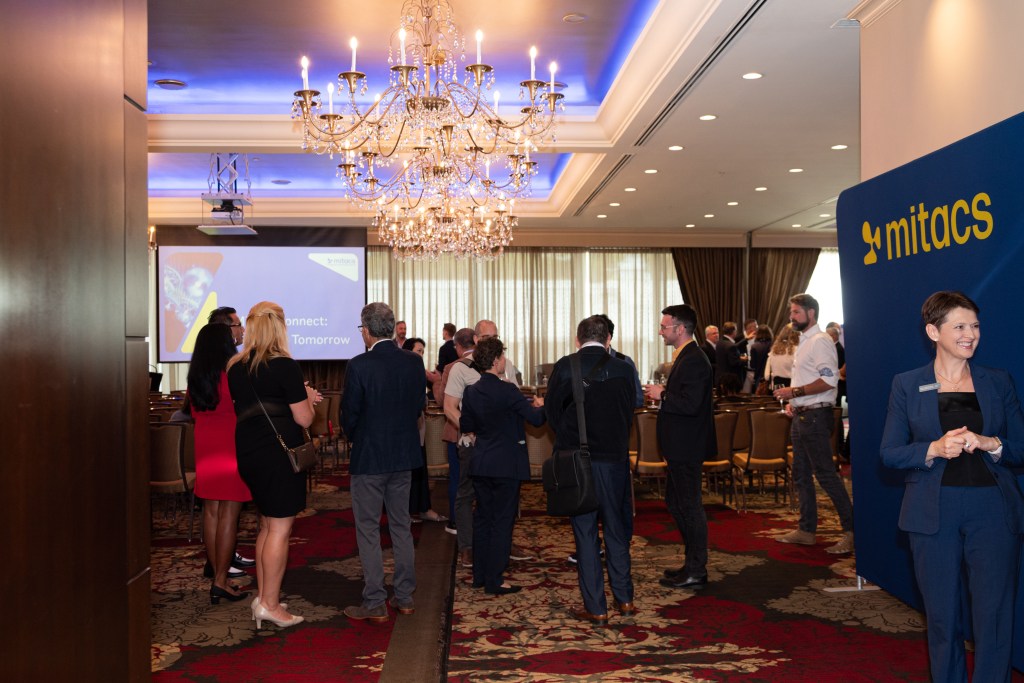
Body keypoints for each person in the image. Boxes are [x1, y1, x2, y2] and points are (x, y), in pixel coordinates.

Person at [880, 291, 1024, 682]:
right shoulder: (907, 385)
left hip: (993, 512)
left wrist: (993, 443)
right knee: (943, 618)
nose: (970, 334)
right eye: (959, 326)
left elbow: (1021, 448)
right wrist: (933, 448)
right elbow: (890, 453)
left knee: (994, 616)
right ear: (933, 331)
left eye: (975, 326)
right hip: (933, 512)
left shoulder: (998, 381)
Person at [227, 301, 319, 629]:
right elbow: (304, 417)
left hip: (250, 453)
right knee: (279, 528)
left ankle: (266, 598)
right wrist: (307, 398)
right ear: (279, 327)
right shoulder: (285, 366)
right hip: (279, 455)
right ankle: (268, 603)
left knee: (266, 525)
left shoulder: (236, 367)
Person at [546, 316, 636, 624]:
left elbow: (552, 412)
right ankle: (625, 599)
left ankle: (596, 606)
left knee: (585, 534)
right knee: (616, 530)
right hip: (614, 461)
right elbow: (633, 407)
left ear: (577, 338)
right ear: (608, 338)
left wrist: (571, 437)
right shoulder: (625, 367)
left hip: (578, 462)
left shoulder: (565, 365)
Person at [342, 303, 427, 621]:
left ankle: (375, 600)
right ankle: (404, 596)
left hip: (369, 458)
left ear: (366, 330)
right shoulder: (413, 362)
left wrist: (357, 436)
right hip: (404, 455)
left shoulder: (359, 365)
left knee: (367, 529)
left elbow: (349, 414)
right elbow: (419, 404)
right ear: (391, 329)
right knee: (401, 526)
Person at [460, 337, 545, 595]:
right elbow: (535, 420)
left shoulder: (472, 390)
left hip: (482, 461)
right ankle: (495, 580)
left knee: (483, 519)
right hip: (506, 464)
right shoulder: (508, 390)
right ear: (497, 361)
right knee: (502, 521)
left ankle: (479, 576)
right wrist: (543, 405)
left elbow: (466, 426)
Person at [773, 293, 853, 554]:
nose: (791, 317)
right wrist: (793, 402)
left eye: (796, 312)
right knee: (801, 475)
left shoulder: (820, 341)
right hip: (802, 415)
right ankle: (807, 530)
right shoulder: (805, 341)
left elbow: (829, 382)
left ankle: (852, 532)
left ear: (811, 313)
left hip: (815, 417)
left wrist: (793, 394)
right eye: (791, 312)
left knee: (826, 475)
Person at [644, 304, 716, 589]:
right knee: (676, 503)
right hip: (679, 446)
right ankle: (691, 563)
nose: (661, 331)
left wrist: (663, 394)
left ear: (680, 329)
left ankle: (697, 569)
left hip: (687, 446)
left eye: (664, 327)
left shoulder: (695, 359)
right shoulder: (685, 356)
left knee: (690, 506)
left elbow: (691, 404)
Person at [187, 323, 253, 604]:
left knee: (211, 512)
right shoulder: (232, 373)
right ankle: (220, 581)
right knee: (230, 514)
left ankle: (218, 576)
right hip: (231, 445)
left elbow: (192, 411)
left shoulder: (196, 377)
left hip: (205, 446)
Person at [434, 328, 481, 559]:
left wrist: (435, 382)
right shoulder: (489, 362)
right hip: (475, 435)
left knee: (460, 484)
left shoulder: (452, 367)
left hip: (459, 434)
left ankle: (458, 527)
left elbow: (443, 400)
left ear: (457, 347)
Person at [403, 337, 447, 524]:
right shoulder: (402, 371)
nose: (420, 354)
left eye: (422, 351)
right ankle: (406, 511)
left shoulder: (421, 371)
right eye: (418, 351)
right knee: (408, 472)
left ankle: (423, 508)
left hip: (419, 424)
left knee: (420, 468)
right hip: (406, 427)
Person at [765, 324, 798, 390]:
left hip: (777, 386)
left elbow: (766, 376)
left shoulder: (774, 350)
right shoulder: (797, 350)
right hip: (792, 387)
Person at [748, 324, 773, 393]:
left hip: (759, 377)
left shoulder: (754, 346)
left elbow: (752, 365)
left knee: (760, 399)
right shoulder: (774, 345)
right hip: (771, 376)